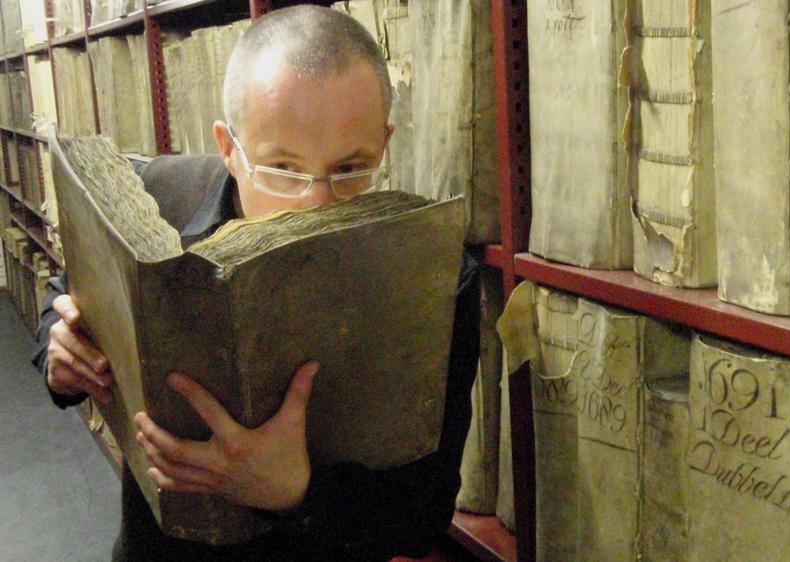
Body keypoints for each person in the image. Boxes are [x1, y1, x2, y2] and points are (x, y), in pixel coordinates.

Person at [33, 6, 481, 561]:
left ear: (385, 143)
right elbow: (65, 297)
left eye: (350, 168)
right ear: (228, 147)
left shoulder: (433, 278)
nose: (315, 203)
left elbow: (422, 514)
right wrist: (62, 353)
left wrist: (296, 492)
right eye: (283, 169)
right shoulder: (154, 204)